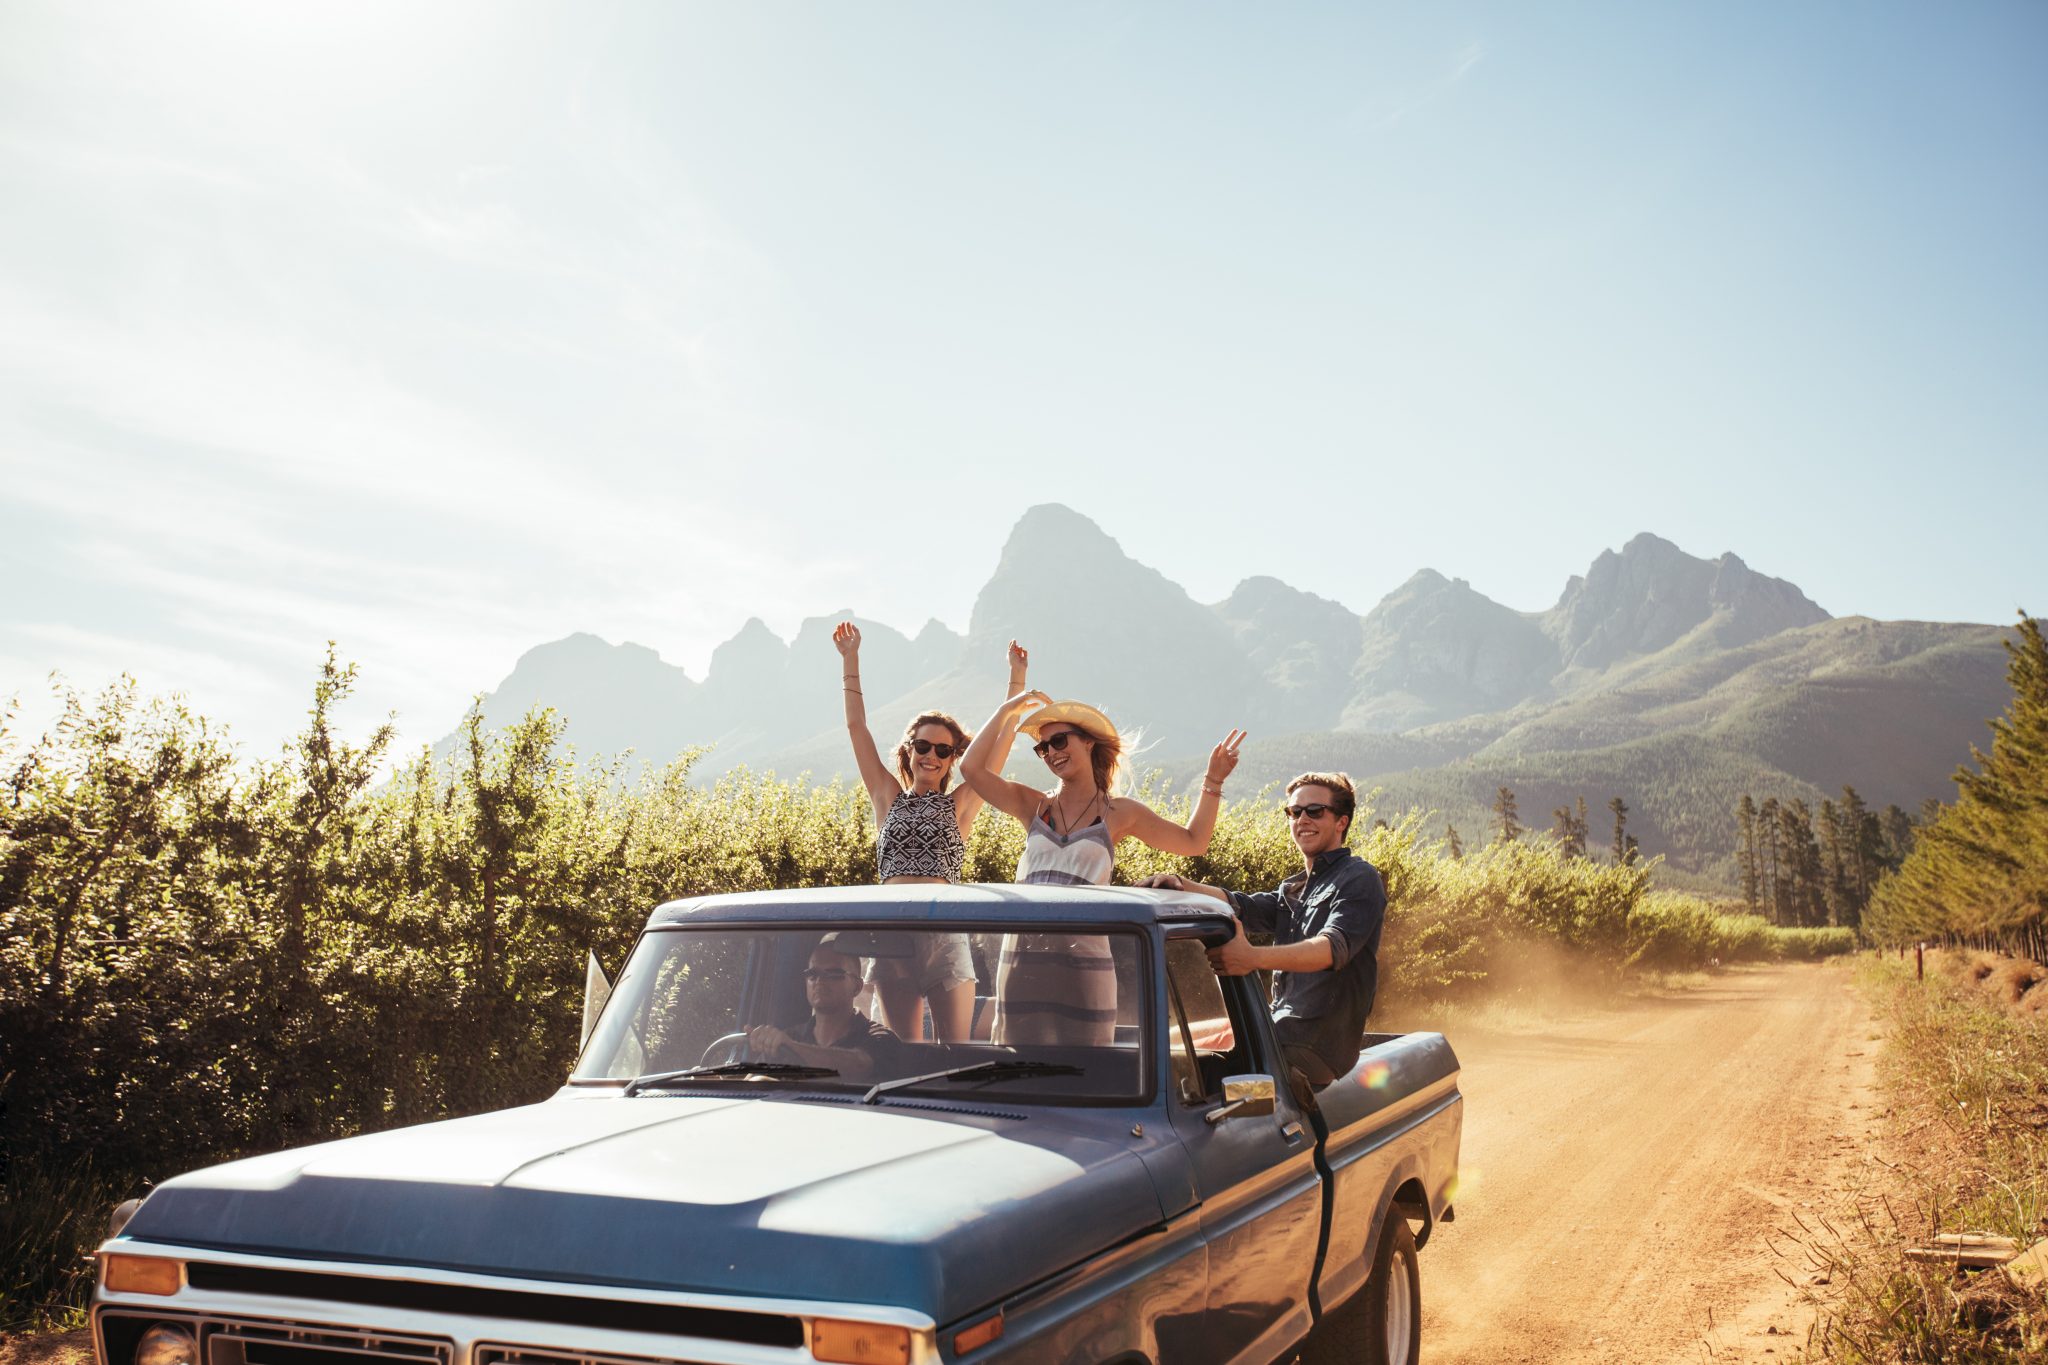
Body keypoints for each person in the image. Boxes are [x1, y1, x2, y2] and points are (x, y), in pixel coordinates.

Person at [958, 691, 1247, 1044]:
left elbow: (1193, 841)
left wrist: (1213, 781)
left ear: (1089, 742)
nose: (1051, 752)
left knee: (1087, 1072)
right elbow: (970, 769)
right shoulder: (1033, 805)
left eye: (1059, 740)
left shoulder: (1119, 813)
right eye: (1043, 747)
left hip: (1085, 965)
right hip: (1022, 962)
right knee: (1018, 1067)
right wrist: (1006, 710)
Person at [833, 622, 1029, 1041]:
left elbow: (999, 750)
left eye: (944, 750)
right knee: (901, 1054)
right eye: (924, 746)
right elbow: (856, 730)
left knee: (952, 1053)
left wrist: (1017, 680)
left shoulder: (960, 803)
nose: (932, 756)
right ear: (910, 749)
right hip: (893, 936)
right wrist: (851, 660)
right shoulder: (887, 796)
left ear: (952, 758)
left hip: (944, 937)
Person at [1141, 771, 1385, 1094]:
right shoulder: (1294, 889)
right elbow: (1242, 906)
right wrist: (1183, 885)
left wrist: (1251, 958)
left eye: (1314, 811)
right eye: (1294, 812)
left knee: (1181, 1073)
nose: (1302, 819)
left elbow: (1330, 949)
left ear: (1341, 822)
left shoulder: (1359, 878)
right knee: (1156, 1047)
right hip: (1276, 1029)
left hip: (1311, 1045)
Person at [747, 942, 903, 1083]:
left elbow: (859, 1066)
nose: (819, 981)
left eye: (834, 974)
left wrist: (792, 1047)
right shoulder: (790, 1036)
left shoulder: (880, 1037)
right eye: (812, 974)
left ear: (857, 986)